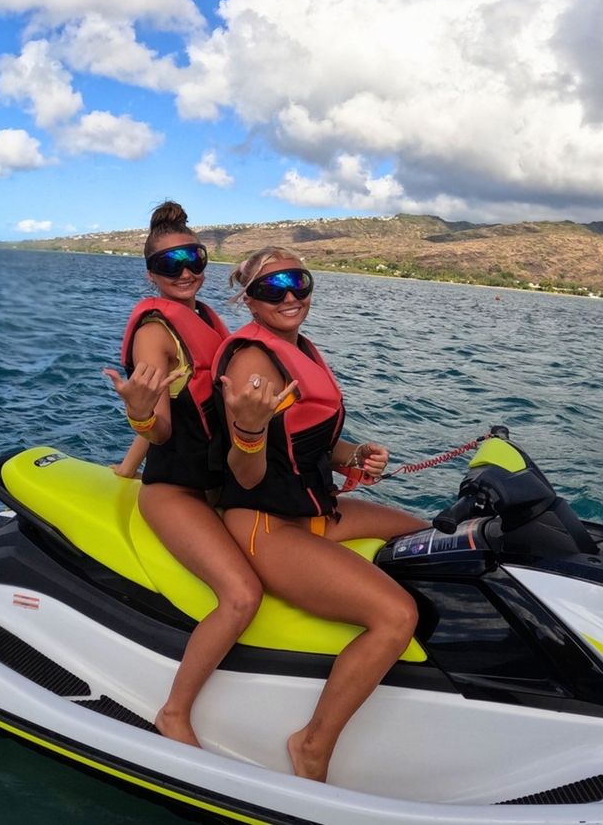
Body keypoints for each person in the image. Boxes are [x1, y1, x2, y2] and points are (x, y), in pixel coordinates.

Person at [214, 246, 426, 783]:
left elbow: (311, 444)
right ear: (249, 300)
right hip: (264, 522)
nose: (289, 296)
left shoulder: (299, 348)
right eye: (271, 288)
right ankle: (312, 744)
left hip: (314, 508)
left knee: (429, 533)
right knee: (396, 616)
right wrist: (249, 431)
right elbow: (245, 475)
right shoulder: (253, 362)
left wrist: (355, 456)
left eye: (298, 282)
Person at [103, 201, 262, 746]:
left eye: (194, 257)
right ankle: (174, 713)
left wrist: (124, 468)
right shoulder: (154, 331)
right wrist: (141, 412)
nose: (186, 270)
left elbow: (190, 399)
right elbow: (163, 426)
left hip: (219, 483)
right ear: (151, 274)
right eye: (170, 264)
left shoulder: (206, 319)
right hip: (176, 492)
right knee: (241, 595)